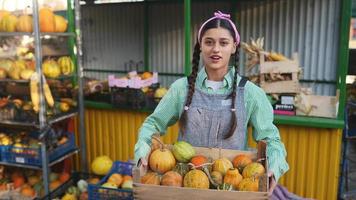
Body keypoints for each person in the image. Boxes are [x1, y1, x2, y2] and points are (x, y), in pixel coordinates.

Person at [134, 11, 289, 196]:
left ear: (233, 47)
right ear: (200, 46)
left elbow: (270, 138)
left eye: (223, 43)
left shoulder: (250, 93)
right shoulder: (181, 89)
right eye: (209, 42)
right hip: (184, 187)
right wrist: (142, 153)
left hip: (231, 189)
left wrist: (273, 168)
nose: (216, 49)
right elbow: (153, 124)